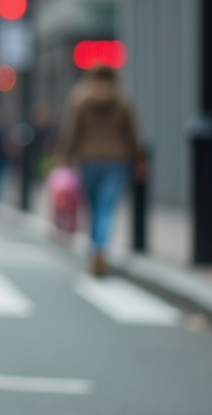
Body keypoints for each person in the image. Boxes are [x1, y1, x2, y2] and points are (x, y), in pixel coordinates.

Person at [57, 64, 146, 277]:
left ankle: (94, 250)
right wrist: (139, 158)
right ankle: (100, 249)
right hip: (117, 160)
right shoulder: (122, 98)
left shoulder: (80, 97)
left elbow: (72, 129)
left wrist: (65, 155)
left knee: (93, 208)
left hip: (88, 160)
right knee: (107, 208)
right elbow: (132, 133)